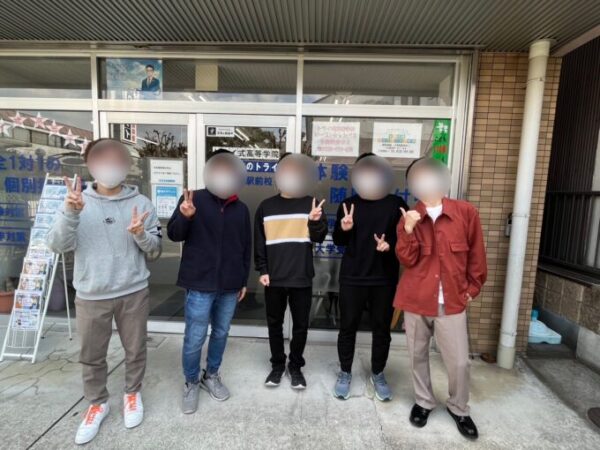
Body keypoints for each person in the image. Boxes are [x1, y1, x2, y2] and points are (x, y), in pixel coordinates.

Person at [46, 138, 162, 445]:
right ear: (90, 164)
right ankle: (97, 403)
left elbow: (155, 251)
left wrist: (140, 234)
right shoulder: (75, 202)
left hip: (133, 291)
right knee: (92, 355)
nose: (111, 166)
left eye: (117, 159)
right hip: (91, 293)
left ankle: (132, 394)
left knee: (135, 349)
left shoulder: (142, 203)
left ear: (127, 164)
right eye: (103, 160)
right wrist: (71, 213)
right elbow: (57, 246)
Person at [394, 157, 487, 441]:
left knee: (459, 361)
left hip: (452, 301)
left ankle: (459, 407)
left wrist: (472, 288)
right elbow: (406, 259)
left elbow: (477, 254)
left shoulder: (465, 212)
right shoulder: (409, 216)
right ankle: (423, 402)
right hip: (417, 298)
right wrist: (408, 229)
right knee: (417, 355)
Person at [167, 149, 251, 415]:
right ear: (211, 172)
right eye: (220, 170)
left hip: (229, 285)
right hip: (199, 284)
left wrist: (243, 280)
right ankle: (191, 381)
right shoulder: (193, 199)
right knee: (194, 337)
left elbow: (245, 247)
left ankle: (211, 374)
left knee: (221, 332)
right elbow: (174, 234)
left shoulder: (241, 209)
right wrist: (186, 216)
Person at [332, 152, 408, 402]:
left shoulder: (396, 204)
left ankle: (378, 373)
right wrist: (345, 228)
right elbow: (339, 241)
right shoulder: (348, 204)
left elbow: (407, 240)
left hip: (383, 278)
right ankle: (345, 372)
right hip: (352, 277)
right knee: (347, 328)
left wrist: (390, 245)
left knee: (382, 330)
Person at [254, 153, 328, 390]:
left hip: (301, 276)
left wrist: (314, 221)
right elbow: (259, 242)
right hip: (274, 277)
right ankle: (277, 365)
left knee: (300, 326)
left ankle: (295, 367)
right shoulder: (266, 206)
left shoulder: (312, 204)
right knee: (274, 324)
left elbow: (318, 237)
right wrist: (263, 269)